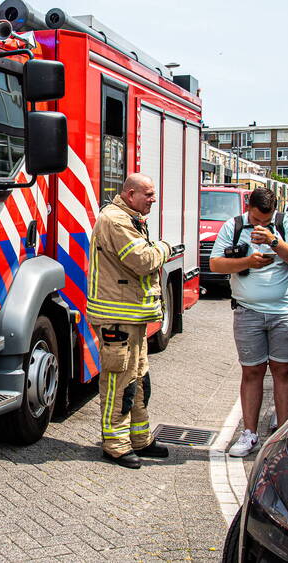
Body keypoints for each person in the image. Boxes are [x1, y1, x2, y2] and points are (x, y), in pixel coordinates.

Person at [209, 186, 288, 457]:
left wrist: (274, 241)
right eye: (255, 220)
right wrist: (247, 262)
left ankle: (282, 437)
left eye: (266, 220)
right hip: (247, 311)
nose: (259, 225)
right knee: (251, 372)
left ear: (275, 211)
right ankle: (249, 433)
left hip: (286, 311)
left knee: (283, 371)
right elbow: (215, 264)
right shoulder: (234, 226)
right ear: (247, 208)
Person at [86, 173, 173, 469]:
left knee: (137, 379)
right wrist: (165, 247)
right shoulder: (115, 220)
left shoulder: (129, 217)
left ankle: (139, 439)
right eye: (148, 194)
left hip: (131, 316)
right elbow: (143, 260)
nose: (153, 199)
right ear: (130, 194)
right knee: (118, 383)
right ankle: (115, 445)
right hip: (117, 318)